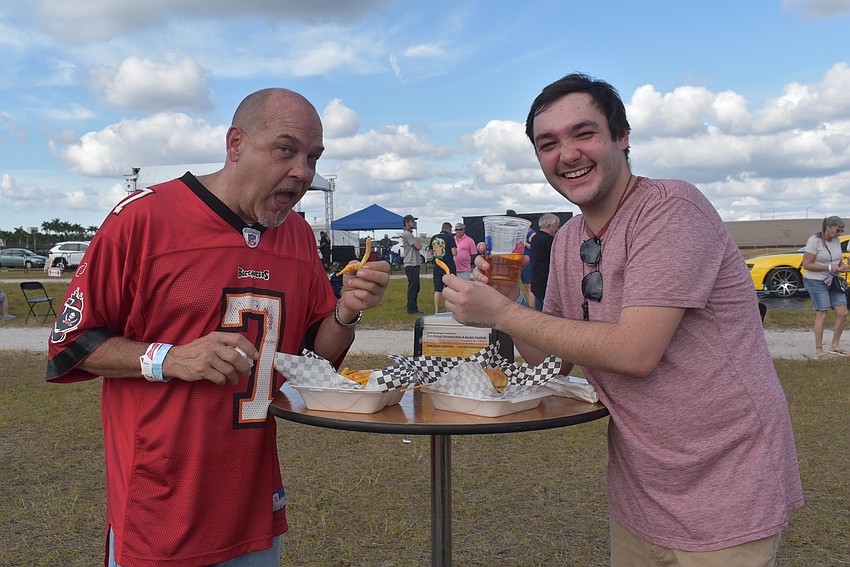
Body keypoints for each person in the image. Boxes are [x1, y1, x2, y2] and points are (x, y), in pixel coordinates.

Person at [441, 73, 802, 565]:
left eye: (583, 134)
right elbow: (552, 362)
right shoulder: (568, 239)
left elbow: (636, 352)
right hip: (641, 485)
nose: (567, 154)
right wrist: (508, 303)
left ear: (622, 136)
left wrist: (501, 311)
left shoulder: (671, 210)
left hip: (726, 475)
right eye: (548, 144)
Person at [45, 88, 390, 567]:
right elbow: (70, 344)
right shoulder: (143, 219)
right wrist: (169, 357)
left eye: (313, 157)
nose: (303, 172)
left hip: (252, 502)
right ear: (235, 144)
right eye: (286, 149)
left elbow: (314, 358)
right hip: (161, 505)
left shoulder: (297, 234)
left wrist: (347, 313)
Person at [801, 215, 848, 359]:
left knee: (843, 311)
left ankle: (835, 346)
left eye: (841, 231)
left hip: (832, 280)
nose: (839, 234)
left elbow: (837, 260)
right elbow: (806, 264)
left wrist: (841, 266)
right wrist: (829, 267)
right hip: (816, 281)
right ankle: (819, 351)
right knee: (823, 313)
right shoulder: (814, 241)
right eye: (838, 230)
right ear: (828, 227)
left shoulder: (836, 241)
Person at [529, 213, 560, 310]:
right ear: (549, 226)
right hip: (546, 279)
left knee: (539, 305)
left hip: (535, 277)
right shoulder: (549, 240)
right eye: (556, 226)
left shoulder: (534, 238)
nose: (557, 229)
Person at [429, 222, 457, 313]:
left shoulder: (434, 238)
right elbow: (454, 252)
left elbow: (430, 251)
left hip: (437, 265)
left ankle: (436, 310)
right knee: (449, 288)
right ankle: (448, 310)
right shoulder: (450, 238)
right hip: (448, 266)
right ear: (448, 229)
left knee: (437, 289)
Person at [402, 214, 423, 314]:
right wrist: (419, 243)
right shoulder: (407, 234)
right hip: (411, 263)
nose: (414, 223)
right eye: (412, 221)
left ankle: (414, 307)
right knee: (413, 287)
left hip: (415, 263)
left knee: (416, 286)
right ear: (407, 223)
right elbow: (418, 246)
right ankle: (411, 308)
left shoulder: (410, 234)